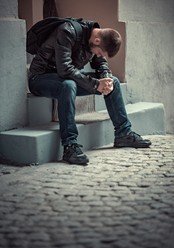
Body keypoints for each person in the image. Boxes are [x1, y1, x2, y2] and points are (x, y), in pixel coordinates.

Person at [28, 18, 151, 165]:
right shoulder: (67, 31)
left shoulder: (94, 39)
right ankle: (70, 145)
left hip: (66, 78)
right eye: (99, 53)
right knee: (68, 85)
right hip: (40, 78)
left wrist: (106, 79)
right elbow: (65, 69)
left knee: (115, 82)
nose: (98, 56)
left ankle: (123, 134)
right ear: (97, 41)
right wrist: (95, 85)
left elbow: (101, 65)